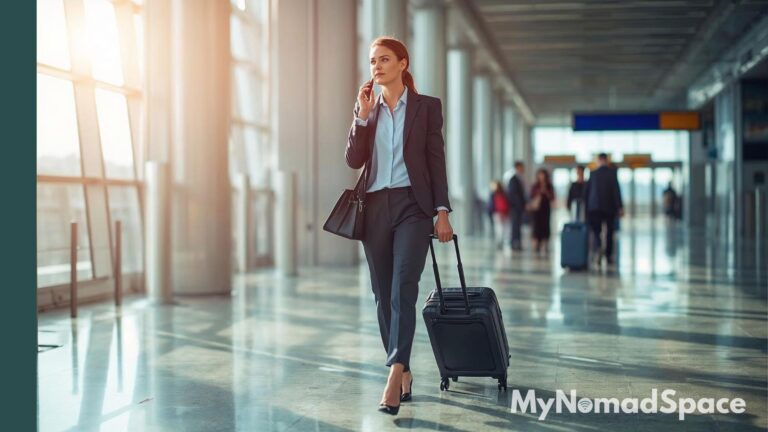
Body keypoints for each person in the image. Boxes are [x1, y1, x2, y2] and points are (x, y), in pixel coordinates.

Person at [345, 37, 453, 415]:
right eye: (373, 60)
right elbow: (353, 159)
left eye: (385, 59)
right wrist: (361, 115)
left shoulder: (426, 108)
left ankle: (393, 373)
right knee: (381, 293)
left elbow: (435, 160)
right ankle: (404, 368)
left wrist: (441, 210)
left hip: (413, 205)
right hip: (374, 207)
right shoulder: (367, 108)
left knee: (403, 286)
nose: (376, 65)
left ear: (402, 63)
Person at [584, 153, 624, 265]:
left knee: (596, 231)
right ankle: (608, 255)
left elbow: (586, 193)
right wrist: (620, 207)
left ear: (598, 161)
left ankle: (598, 247)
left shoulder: (593, 174)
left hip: (594, 207)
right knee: (609, 232)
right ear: (606, 161)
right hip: (609, 208)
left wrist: (586, 208)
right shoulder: (612, 174)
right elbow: (616, 192)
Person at [528, 168, 555, 254]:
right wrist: (539, 192)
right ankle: (536, 244)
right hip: (536, 209)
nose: (542, 177)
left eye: (543, 175)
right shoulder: (535, 186)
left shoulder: (549, 186)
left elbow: (552, 198)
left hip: (545, 208)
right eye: (540, 174)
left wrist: (546, 191)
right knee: (536, 226)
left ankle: (545, 243)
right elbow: (531, 197)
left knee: (545, 225)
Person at [506, 161, 527, 251]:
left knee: (517, 225)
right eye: (521, 167)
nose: (523, 169)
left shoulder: (518, 179)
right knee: (515, 225)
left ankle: (516, 243)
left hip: (518, 207)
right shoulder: (513, 179)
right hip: (515, 207)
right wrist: (519, 205)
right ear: (517, 167)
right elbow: (513, 195)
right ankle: (514, 243)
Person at [488, 180, 510, 250]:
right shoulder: (504, 193)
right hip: (504, 213)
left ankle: (500, 242)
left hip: (497, 213)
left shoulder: (493, 194)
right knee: (504, 228)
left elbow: (491, 206)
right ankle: (503, 241)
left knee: (499, 228)